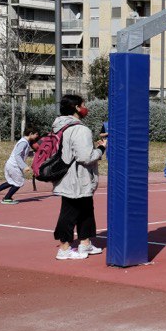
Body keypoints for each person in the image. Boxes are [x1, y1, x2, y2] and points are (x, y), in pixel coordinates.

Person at [52, 95, 106, 260]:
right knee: (69, 213)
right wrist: (101, 150)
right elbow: (85, 157)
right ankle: (64, 248)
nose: (86, 107)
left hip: (71, 176)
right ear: (76, 107)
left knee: (86, 211)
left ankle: (85, 243)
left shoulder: (60, 126)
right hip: (76, 178)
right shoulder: (80, 129)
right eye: (84, 104)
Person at [0, 128, 38, 205]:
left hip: (10, 164)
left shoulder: (24, 141)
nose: (37, 136)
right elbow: (17, 155)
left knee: (12, 182)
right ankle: (6, 198)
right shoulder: (23, 142)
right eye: (36, 134)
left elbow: (23, 153)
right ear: (30, 134)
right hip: (14, 165)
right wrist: (24, 166)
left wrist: (35, 153)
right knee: (19, 182)